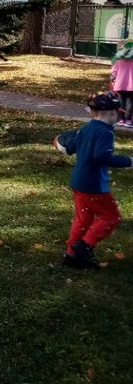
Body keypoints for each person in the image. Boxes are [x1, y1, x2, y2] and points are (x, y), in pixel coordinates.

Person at [54, 91, 133, 269]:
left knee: (83, 219)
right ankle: (84, 246)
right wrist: (129, 161)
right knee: (111, 217)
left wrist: (61, 141)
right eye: (118, 114)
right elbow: (102, 157)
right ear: (112, 113)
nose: (118, 117)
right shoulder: (105, 132)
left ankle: (71, 255)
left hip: (79, 182)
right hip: (94, 186)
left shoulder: (87, 128)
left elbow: (72, 146)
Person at [111, 39, 133, 127]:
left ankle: (121, 119)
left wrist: (113, 81)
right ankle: (128, 120)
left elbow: (113, 73)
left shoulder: (118, 61)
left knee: (121, 103)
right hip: (131, 86)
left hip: (119, 85)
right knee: (130, 103)